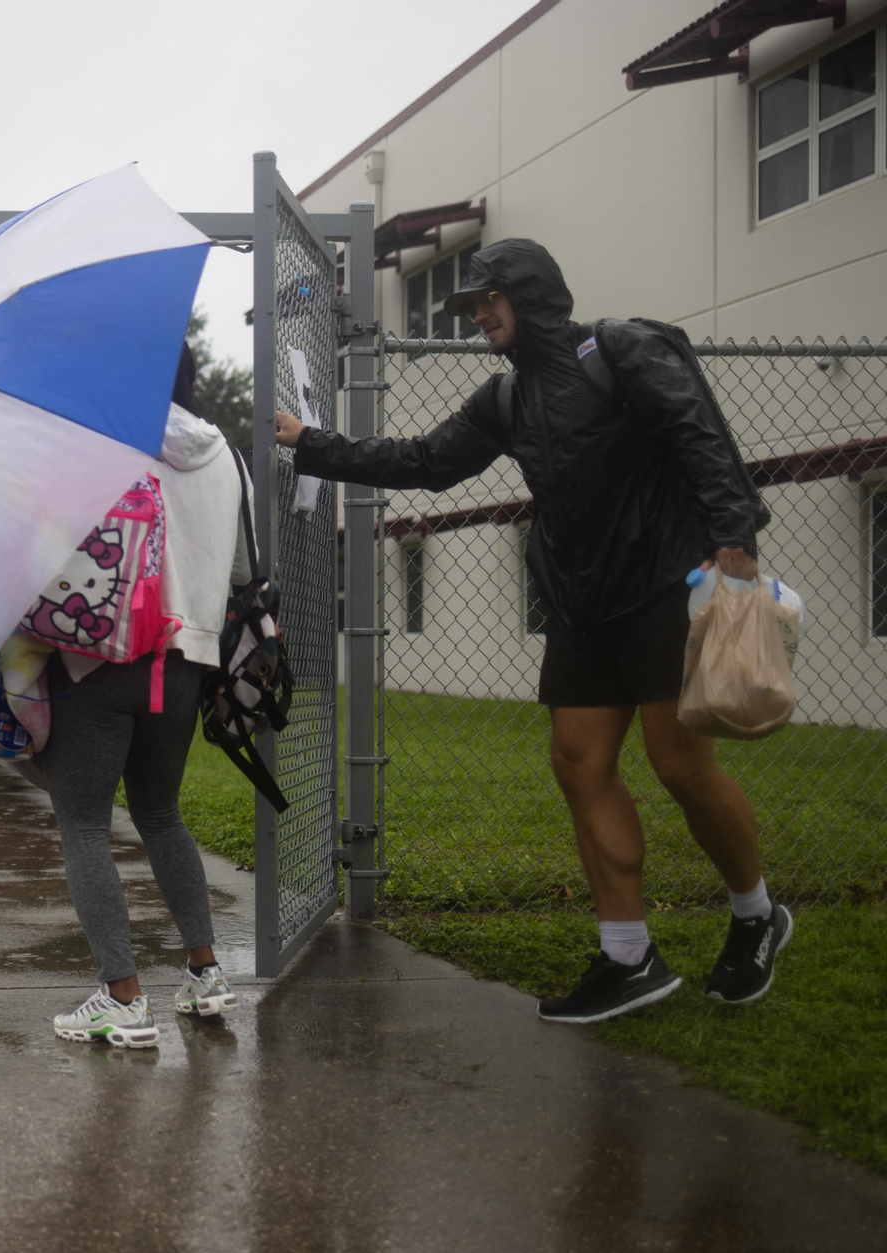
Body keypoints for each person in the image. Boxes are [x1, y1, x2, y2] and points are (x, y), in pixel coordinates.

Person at [276, 238, 787, 1025]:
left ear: (531, 295)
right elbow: (426, 460)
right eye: (471, 304)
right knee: (579, 766)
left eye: (488, 299)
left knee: (679, 765)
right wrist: (310, 443)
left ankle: (756, 914)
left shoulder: (620, 350)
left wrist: (733, 541)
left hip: (661, 585)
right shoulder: (505, 400)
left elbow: (697, 434)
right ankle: (628, 957)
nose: (478, 315)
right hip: (580, 608)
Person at [46, 346, 253, 1048]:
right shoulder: (226, 455)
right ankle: (206, 976)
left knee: (82, 823)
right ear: (192, 380)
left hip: (102, 658)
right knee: (161, 814)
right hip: (190, 659)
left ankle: (122, 998)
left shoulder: (101, 443)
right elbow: (246, 566)